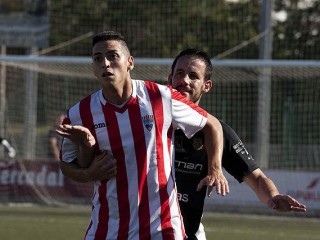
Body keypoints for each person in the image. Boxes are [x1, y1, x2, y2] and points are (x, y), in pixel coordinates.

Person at [57, 31, 229, 240]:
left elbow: (212, 124)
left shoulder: (161, 97)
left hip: (162, 228)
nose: (106, 63)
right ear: (93, 68)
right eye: (98, 58)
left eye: (113, 56)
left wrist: (215, 169)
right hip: (108, 228)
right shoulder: (78, 114)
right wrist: (88, 173)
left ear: (130, 62)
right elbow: (67, 164)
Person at [168, 48, 307, 239]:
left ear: (206, 86)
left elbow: (257, 178)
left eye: (193, 76)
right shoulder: (147, 121)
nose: (184, 81)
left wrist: (273, 197)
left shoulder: (217, 132)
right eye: (179, 74)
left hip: (185, 233)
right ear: (170, 79)